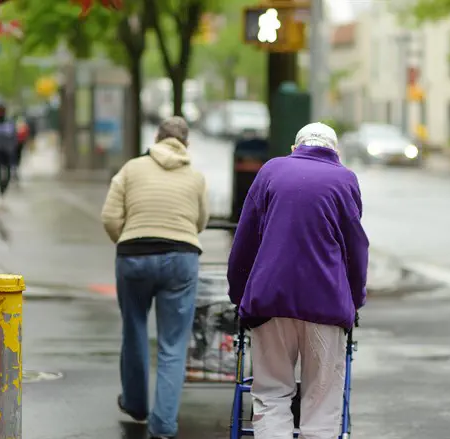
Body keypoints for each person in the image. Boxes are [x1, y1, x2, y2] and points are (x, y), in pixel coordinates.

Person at [227, 122, 369, 439]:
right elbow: (356, 247)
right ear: (335, 152)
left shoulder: (270, 171)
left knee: (271, 393)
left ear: (295, 148)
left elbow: (244, 241)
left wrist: (239, 296)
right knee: (321, 401)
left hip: (269, 300)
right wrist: (355, 299)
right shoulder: (345, 179)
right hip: (327, 305)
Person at [101, 116, 209, 439]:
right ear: (185, 144)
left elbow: (109, 217)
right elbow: (200, 222)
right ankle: (162, 425)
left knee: (133, 329)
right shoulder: (196, 178)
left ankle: (135, 404)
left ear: (157, 139)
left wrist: (127, 236)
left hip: (133, 256)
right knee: (173, 344)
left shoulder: (131, 169)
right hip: (181, 258)